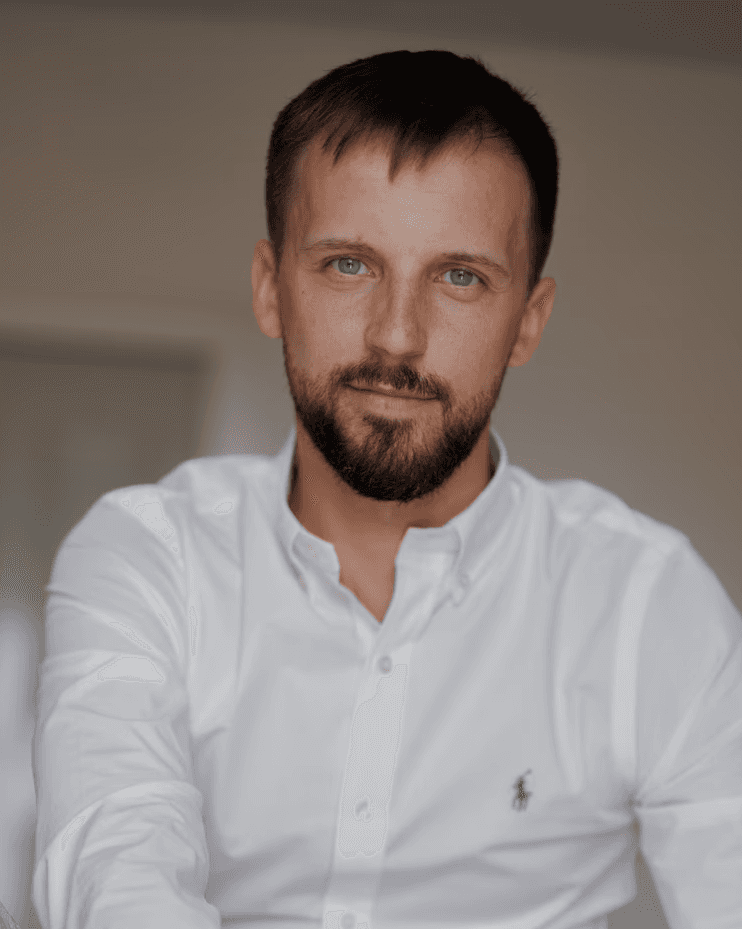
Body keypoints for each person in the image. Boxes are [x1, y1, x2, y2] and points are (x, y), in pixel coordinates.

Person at [32, 49, 741, 929]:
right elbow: (118, 865)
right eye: (348, 265)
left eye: (460, 277)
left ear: (527, 321)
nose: (396, 336)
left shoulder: (648, 601)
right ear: (270, 290)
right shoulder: (147, 555)